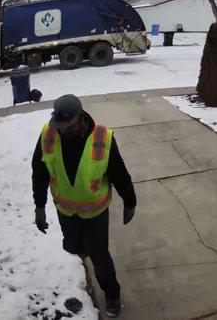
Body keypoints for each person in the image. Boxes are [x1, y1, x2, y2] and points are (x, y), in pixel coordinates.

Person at [31, 94, 136, 318]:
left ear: (80, 118)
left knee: (99, 257)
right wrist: (39, 206)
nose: (62, 131)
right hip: (66, 210)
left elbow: (119, 173)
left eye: (67, 126)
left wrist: (130, 201)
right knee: (74, 247)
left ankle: (112, 294)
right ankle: (81, 251)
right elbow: (39, 173)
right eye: (59, 126)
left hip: (95, 213)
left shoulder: (102, 139)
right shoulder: (49, 135)